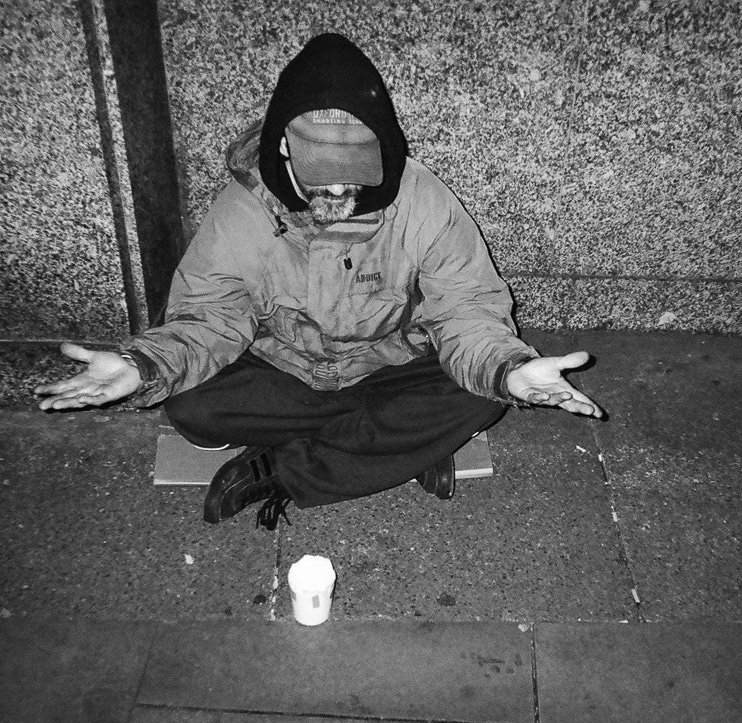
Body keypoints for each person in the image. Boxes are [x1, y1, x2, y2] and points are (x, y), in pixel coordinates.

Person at [35, 32, 603, 529]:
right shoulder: (243, 209)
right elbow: (211, 314)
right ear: (282, 148)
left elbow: (465, 309)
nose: (336, 194)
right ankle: (399, 445)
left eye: (353, 175)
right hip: (285, 366)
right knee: (191, 408)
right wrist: (142, 364)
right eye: (320, 176)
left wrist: (511, 368)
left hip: (392, 366)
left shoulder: (423, 200)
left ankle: (283, 470)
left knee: (479, 396)